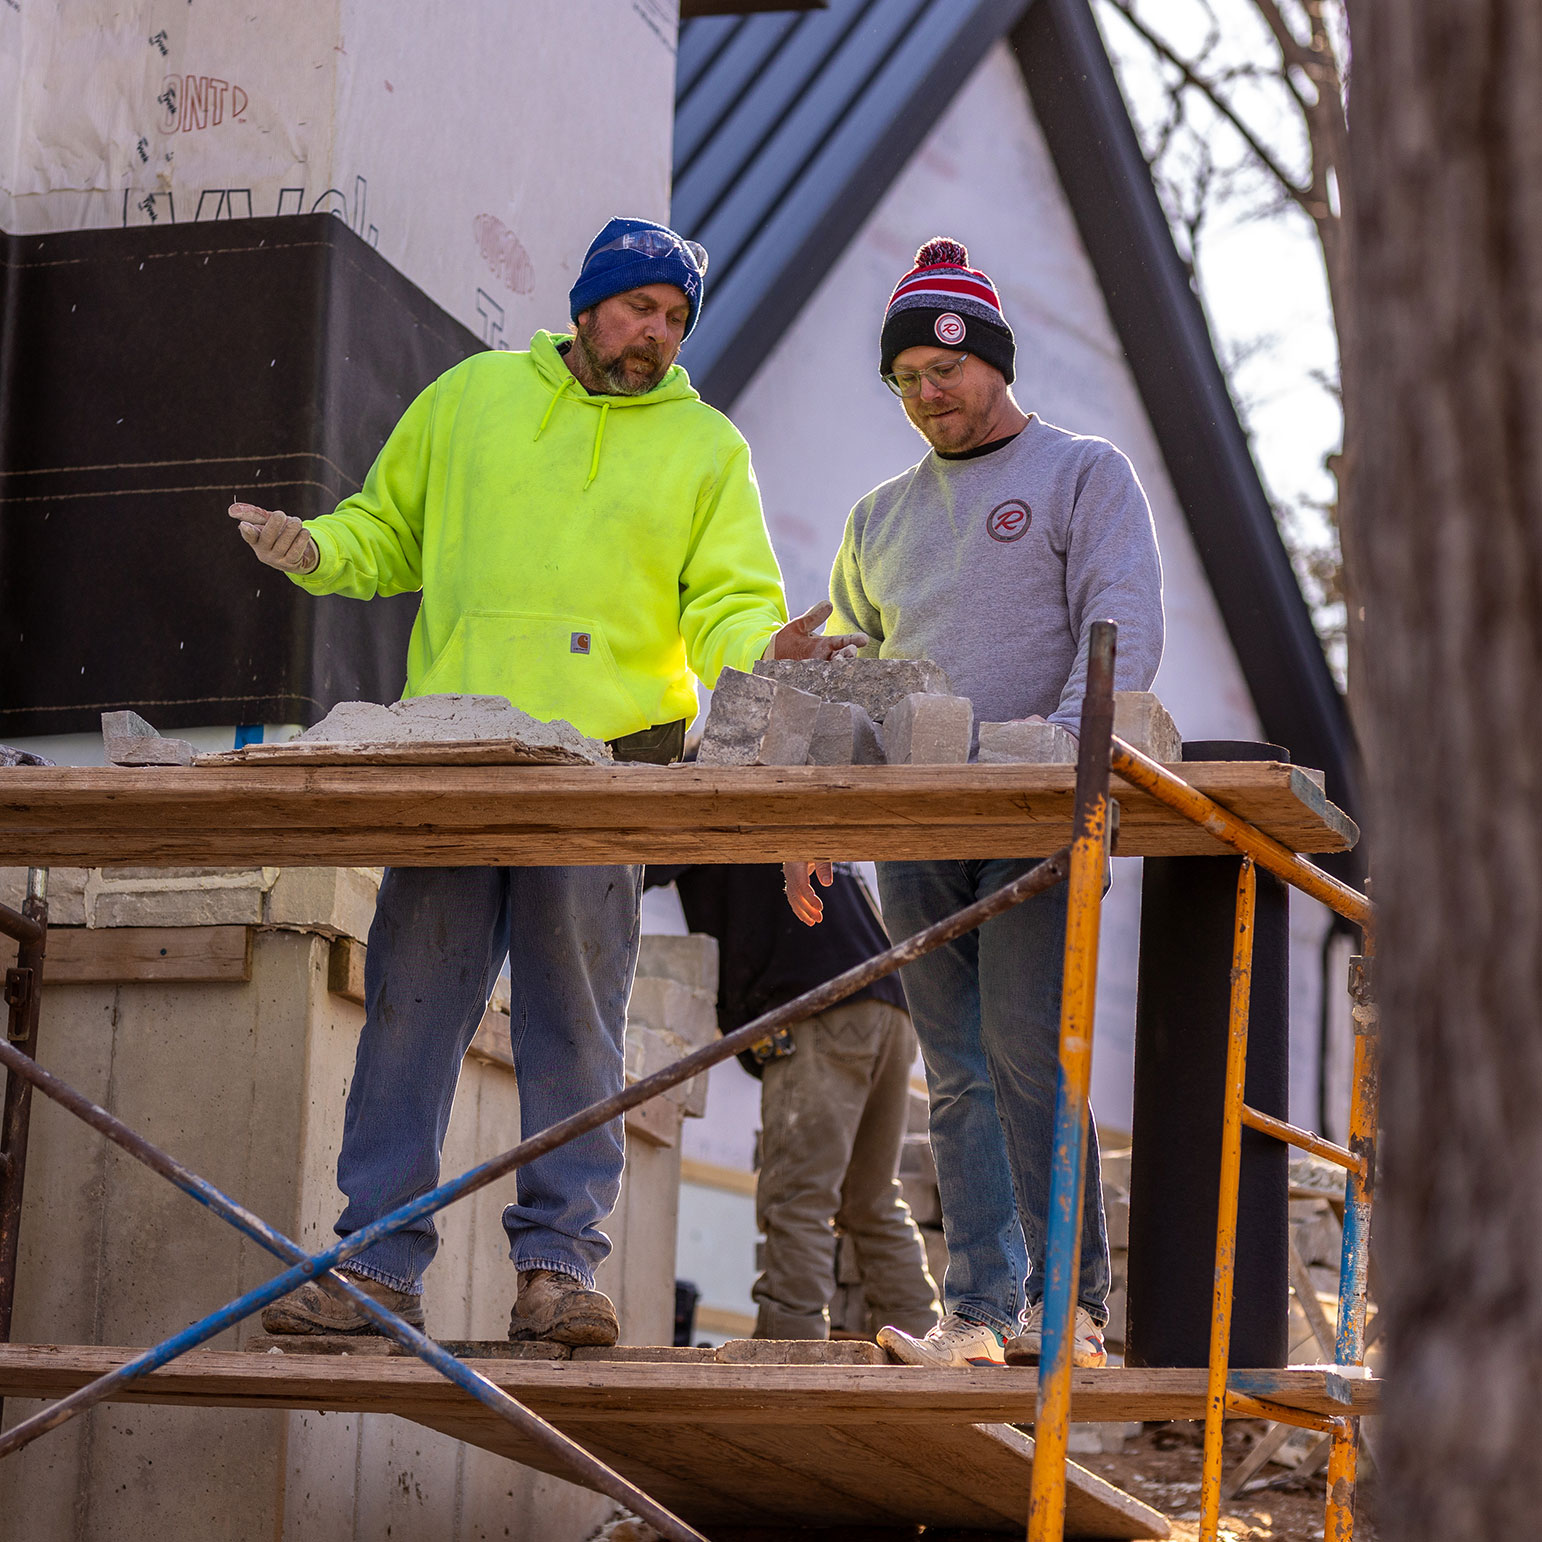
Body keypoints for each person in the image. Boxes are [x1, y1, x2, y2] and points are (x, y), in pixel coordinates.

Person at [230, 216, 863, 1345]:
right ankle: (376, 1265)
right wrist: (316, 550)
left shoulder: (706, 448)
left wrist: (768, 650)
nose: (654, 335)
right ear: (586, 305)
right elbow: (388, 534)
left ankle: (559, 1270)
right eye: (637, 309)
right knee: (410, 1015)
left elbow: (727, 601)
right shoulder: (472, 397)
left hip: (604, 767)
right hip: (458, 759)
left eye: (673, 321)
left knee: (577, 1025)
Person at [785, 237, 1164, 1370]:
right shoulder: (877, 518)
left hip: (1039, 808)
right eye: (904, 380)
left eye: (941, 370)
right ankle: (986, 1312)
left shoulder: (1082, 474)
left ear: (989, 360)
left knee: (1025, 1053)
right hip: (918, 823)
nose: (924, 395)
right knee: (950, 1067)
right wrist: (814, 810)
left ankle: (1072, 1310)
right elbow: (851, 678)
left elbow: (1121, 625)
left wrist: (1057, 752)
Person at [646, 861, 940, 1342]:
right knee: (871, 1197)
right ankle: (923, 1338)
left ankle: (790, 1342)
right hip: (891, 1004)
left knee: (798, 1193)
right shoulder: (783, 808)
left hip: (822, 1003)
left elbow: (629, 865)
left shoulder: (715, 801)